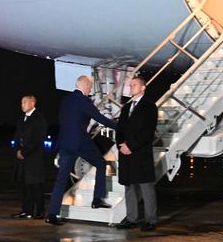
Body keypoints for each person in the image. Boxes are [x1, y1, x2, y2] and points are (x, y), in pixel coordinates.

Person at [45, 75, 118, 225]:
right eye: (90, 86)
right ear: (84, 85)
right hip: (80, 142)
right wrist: (120, 127)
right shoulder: (84, 100)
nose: (90, 89)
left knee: (61, 178)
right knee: (101, 164)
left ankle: (51, 214)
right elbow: (100, 118)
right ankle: (97, 199)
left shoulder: (65, 100)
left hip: (65, 142)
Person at [115, 76, 158, 232]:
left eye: (134, 85)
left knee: (146, 188)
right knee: (129, 188)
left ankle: (150, 220)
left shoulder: (150, 107)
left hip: (140, 153)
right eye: (130, 85)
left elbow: (148, 132)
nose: (130, 87)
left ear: (143, 87)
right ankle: (132, 218)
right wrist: (120, 144)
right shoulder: (126, 107)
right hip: (125, 154)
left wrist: (130, 146)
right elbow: (119, 129)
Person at [10, 95, 48, 220]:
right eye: (21, 102)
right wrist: (17, 150)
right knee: (25, 185)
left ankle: (39, 211)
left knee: (36, 186)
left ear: (32, 103)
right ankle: (27, 210)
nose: (22, 105)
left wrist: (24, 152)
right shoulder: (21, 119)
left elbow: (37, 141)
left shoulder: (39, 119)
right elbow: (17, 136)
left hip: (34, 158)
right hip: (23, 159)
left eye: (24, 102)